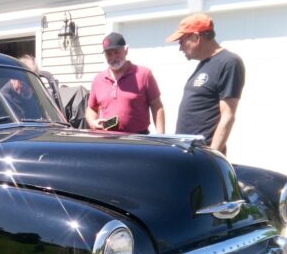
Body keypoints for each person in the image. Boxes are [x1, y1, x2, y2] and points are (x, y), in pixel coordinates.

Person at [166, 13, 245, 154]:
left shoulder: (229, 62)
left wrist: (212, 156)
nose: (180, 48)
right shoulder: (204, 64)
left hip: (202, 156)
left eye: (182, 42)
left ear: (196, 37)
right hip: (186, 151)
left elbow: (228, 116)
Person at [86, 32, 165, 134]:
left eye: (117, 52)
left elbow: (157, 106)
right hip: (107, 141)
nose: (113, 57)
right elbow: (91, 108)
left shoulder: (143, 74)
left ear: (126, 50)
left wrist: (161, 136)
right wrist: (92, 122)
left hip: (137, 140)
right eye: (109, 53)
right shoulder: (98, 79)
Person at [0, 54, 41, 120]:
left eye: (32, 82)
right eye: (26, 81)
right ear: (15, 77)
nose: (31, 87)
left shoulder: (37, 95)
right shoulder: (4, 97)